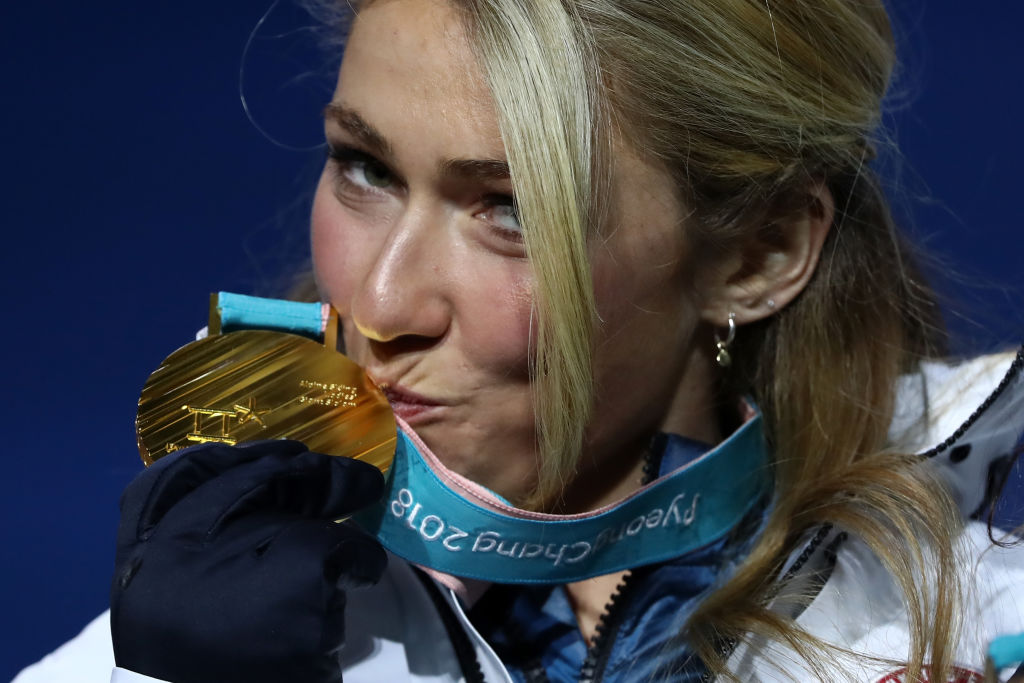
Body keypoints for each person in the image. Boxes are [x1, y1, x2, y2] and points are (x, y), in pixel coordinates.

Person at [14, 0, 1024, 681]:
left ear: (756, 254)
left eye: (510, 208)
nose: (379, 296)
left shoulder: (980, 631)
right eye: (363, 166)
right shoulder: (194, 630)